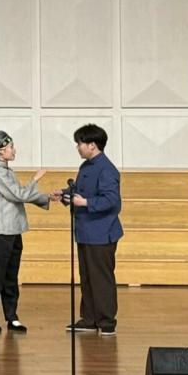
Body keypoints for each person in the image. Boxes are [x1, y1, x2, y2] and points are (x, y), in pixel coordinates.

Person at [51, 124, 122, 336]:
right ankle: (89, 319)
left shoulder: (107, 169)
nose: (77, 147)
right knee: (87, 277)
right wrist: (65, 194)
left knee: (101, 278)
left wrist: (85, 203)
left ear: (92, 145)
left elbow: (111, 200)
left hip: (101, 232)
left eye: (80, 143)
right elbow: (80, 191)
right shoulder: (86, 166)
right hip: (84, 231)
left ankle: (107, 321)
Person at [0, 131, 48, 332]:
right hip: (0, 232)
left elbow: (20, 195)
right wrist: (35, 179)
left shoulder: (8, 172)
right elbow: (19, 195)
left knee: (11, 277)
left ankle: (11, 316)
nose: (14, 150)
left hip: (13, 230)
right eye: (10, 147)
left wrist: (47, 197)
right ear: (0, 151)